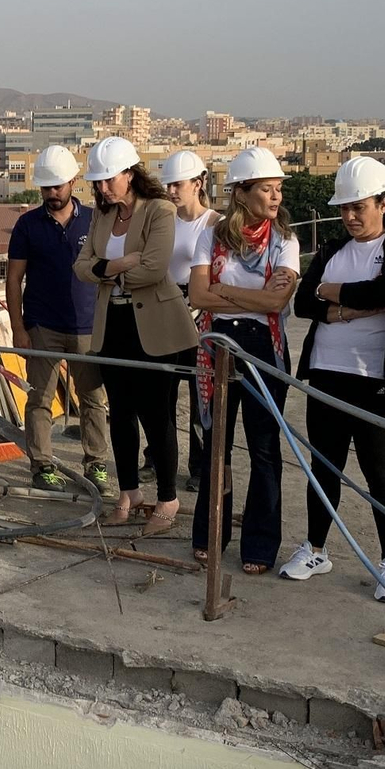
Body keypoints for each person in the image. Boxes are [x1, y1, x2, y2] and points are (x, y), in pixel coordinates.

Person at [282, 157, 385, 602]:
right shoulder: (332, 251)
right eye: (344, 208)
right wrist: (349, 308)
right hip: (328, 373)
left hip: (378, 380)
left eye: (358, 206)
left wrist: (333, 293)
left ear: (383, 204)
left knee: (379, 471)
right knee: (324, 466)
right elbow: (303, 304)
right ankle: (316, 549)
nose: (349, 216)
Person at [73, 137, 198, 531]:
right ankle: (129, 492)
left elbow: (155, 268)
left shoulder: (159, 210)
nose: (102, 187)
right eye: (98, 181)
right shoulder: (101, 214)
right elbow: (81, 266)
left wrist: (105, 271)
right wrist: (119, 264)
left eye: (109, 179)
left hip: (155, 327)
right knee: (121, 413)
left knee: (157, 415)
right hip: (113, 323)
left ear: (130, 174)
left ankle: (168, 498)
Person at [187, 147, 299, 573]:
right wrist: (252, 297)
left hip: (263, 346)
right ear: (241, 193)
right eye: (266, 189)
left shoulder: (285, 240)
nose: (275, 197)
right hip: (218, 343)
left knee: (263, 448)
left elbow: (276, 302)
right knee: (216, 445)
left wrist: (225, 291)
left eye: (278, 189)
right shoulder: (212, 236)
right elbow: (198, 296)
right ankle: (210, 534)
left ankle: (260, 545)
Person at [5, 145, 112, 494]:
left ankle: (96, 464)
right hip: (43, 327)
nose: (52, 193)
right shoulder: (27, 225)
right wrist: (18, 328)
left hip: (87, 328)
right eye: (46, 187)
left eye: (57, 186)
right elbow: (13, 279)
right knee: (40, 399)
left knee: (93, 399)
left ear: (73, 182)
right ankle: (42, 465)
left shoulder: (95, 221)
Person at [161, 148, 219, 492]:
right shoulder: (165, 223)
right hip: (167, 310)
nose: (171, 191)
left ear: (198, 184)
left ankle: (199, 465)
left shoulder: (213, 224)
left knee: (200, 397)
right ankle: (159, 459)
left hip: (199, 316)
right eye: (168, 185)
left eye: (177, 184)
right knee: (162, 393)